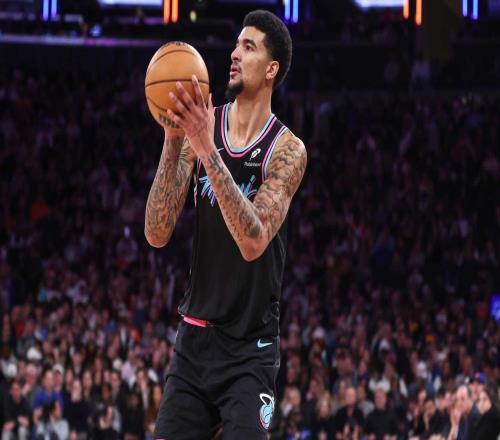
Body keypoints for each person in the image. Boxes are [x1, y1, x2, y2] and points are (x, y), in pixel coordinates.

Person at [144, 9, 306, 440]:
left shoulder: (287, 150)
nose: (234, 54)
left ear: (271, 69)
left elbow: (253, 241)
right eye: (236, 45)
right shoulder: (203, 125)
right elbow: (156, 233)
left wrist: (206, 149)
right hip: (195, 339)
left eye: (248, 47)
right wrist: (173, 137)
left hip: (249, 350)